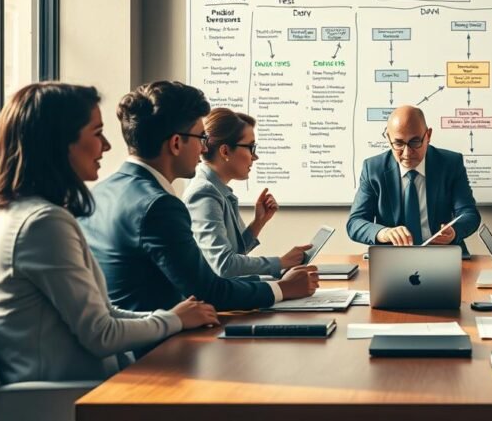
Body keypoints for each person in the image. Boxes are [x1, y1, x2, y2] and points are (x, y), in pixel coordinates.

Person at [0, 82, 219, 383]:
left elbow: (103, 313)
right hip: (79, 394)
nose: (106, 145)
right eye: (96, 132)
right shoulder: (42, 224)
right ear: (59, 141)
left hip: (84, 383)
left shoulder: (13, 212)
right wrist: (172, 319)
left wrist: (176, 317)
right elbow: (102, 335)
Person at [79, 81, 318, 323]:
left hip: (127, 341)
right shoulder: (159, 205)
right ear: (175, 144)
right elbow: (209, 291)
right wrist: (283, 289)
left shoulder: (100, 192)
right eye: (201, 137)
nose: (204, 147)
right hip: (158, 349)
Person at [183, 108, 311, 279]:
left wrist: (258, 222)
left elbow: (234, 254)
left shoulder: (217, 190)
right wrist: (280, 262)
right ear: (225, 151)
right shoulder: (205, 194)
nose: (255, 157)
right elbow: (224, 265)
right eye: (250, 147)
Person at [346, 105, 481, 251]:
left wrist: (454, 232)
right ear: (388, 138)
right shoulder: (373, 169)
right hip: (392, 257)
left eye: (415, 142)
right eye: (398, 143)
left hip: (441, 254)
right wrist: (384, 233)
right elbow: (355, 223)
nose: (407, 153)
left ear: (428, 136)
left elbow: (469, 214)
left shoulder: (451, 164)